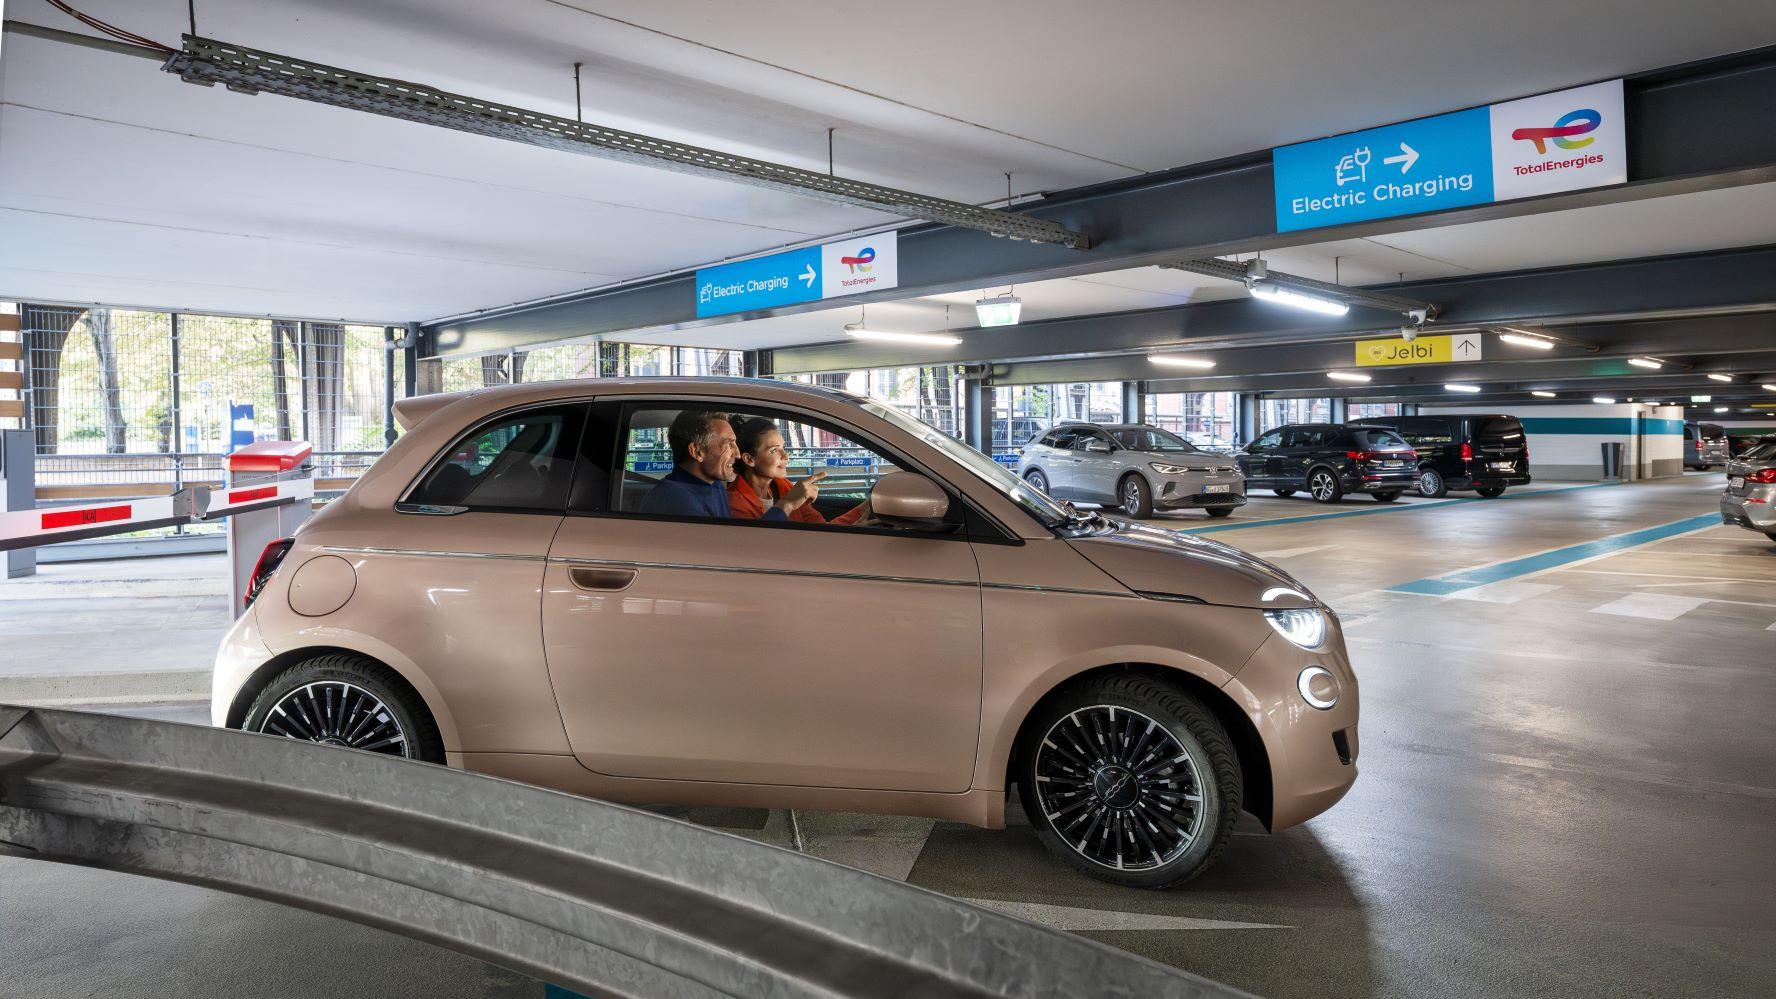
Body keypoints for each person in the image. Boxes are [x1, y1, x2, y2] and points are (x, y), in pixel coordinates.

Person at [638, 410, 820, 520]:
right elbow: (739, 551)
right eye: (728, 445)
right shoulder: (676, 501)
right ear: (697, 452)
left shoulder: (711, 485)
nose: (738, 454)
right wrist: (786, 505)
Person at [728, 417, 867, 526]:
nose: (786, 456)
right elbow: (760, 544)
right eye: (774, 450)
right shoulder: (735, 504)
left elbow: (822, 530)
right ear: (749, 459)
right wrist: (787, 504)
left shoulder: (783, 486)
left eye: (783, 447)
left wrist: (868, 506)